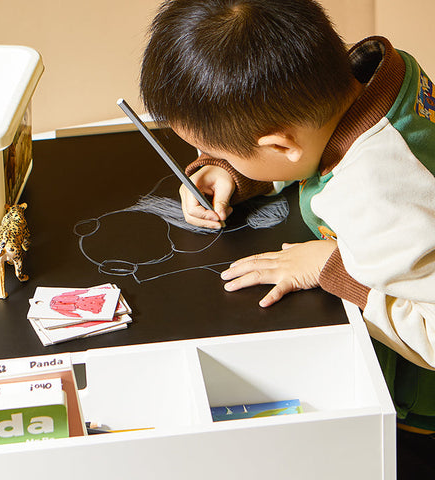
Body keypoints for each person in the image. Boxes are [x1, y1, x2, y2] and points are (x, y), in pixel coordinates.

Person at [139, 0, 435, 443]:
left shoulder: (378, 197)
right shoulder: (370, 75)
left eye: (221, 149)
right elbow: (309, 144)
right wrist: (235, 170)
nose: (212, 156)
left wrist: (333, 266)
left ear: (280, 146)